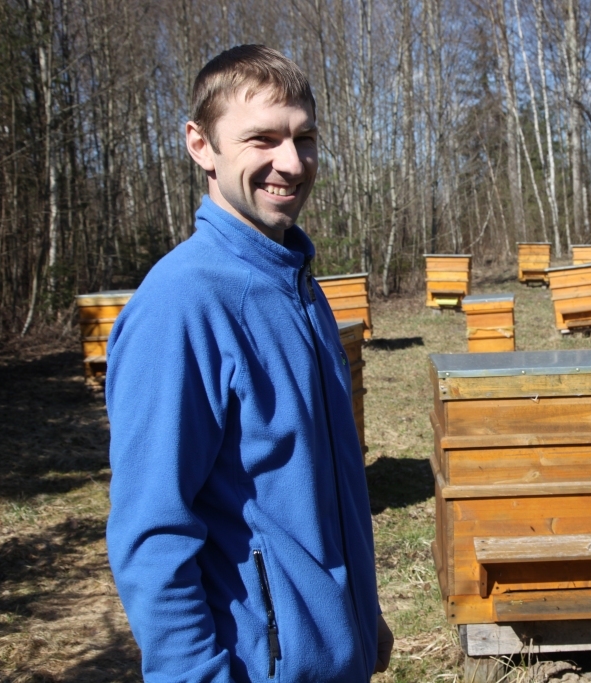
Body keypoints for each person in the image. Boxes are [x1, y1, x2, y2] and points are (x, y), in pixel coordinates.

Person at [105, 45, 393, 683]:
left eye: (304, 138)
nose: (290, 162)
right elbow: (152, 535)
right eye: (262, 139)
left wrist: (361, 615)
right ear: (200, 145)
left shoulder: (300, 287)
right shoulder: (182, 304)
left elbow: (315, 485)